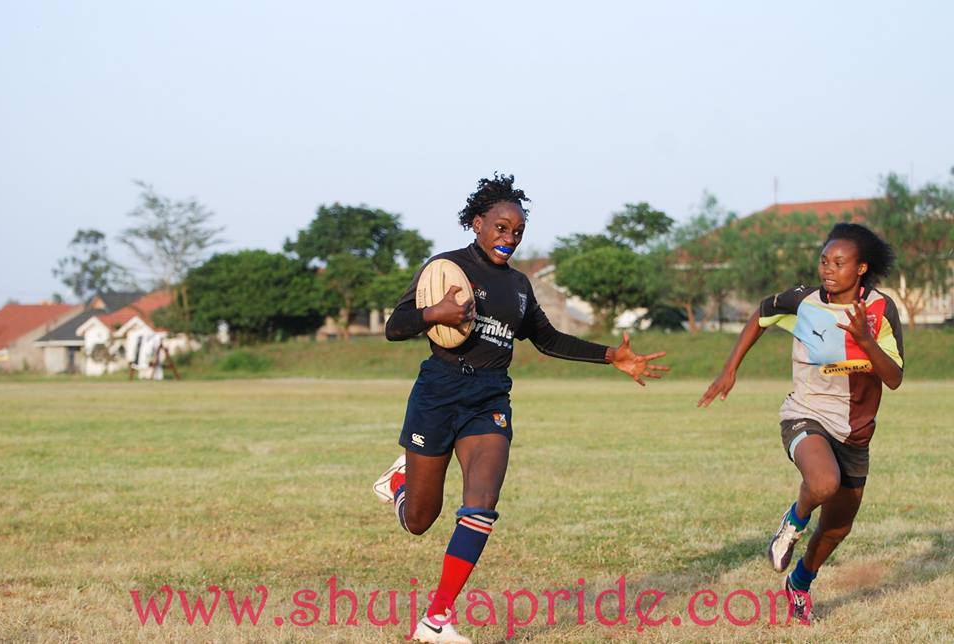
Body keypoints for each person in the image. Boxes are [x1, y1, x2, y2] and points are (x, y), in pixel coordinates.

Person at [372, 173, 670, 643]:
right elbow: (395, 325)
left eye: (517, 233)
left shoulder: (519, 287)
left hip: (489, 399)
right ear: (477, 223)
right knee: (419, 522)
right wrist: (434, 315)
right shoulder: (444, 268)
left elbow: (548, 339)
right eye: (501, 228)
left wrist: (611, 355)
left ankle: (436, 619)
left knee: (482, 504)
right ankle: (400, 483)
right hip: (439, 392)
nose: (509, 239)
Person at [698, 223, 903, 624]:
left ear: (861, 268)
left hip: (856, 433)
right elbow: (761, 314)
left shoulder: (880, 309)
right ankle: (792, 522)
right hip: (805, 414)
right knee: (823, 482)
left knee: (837, 528)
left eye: (839, 263)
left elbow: (893, 377)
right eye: (824, 260)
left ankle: (800, 583)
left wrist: (866, 340)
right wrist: (730, 369)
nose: (828, 269)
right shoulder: (803, 299)